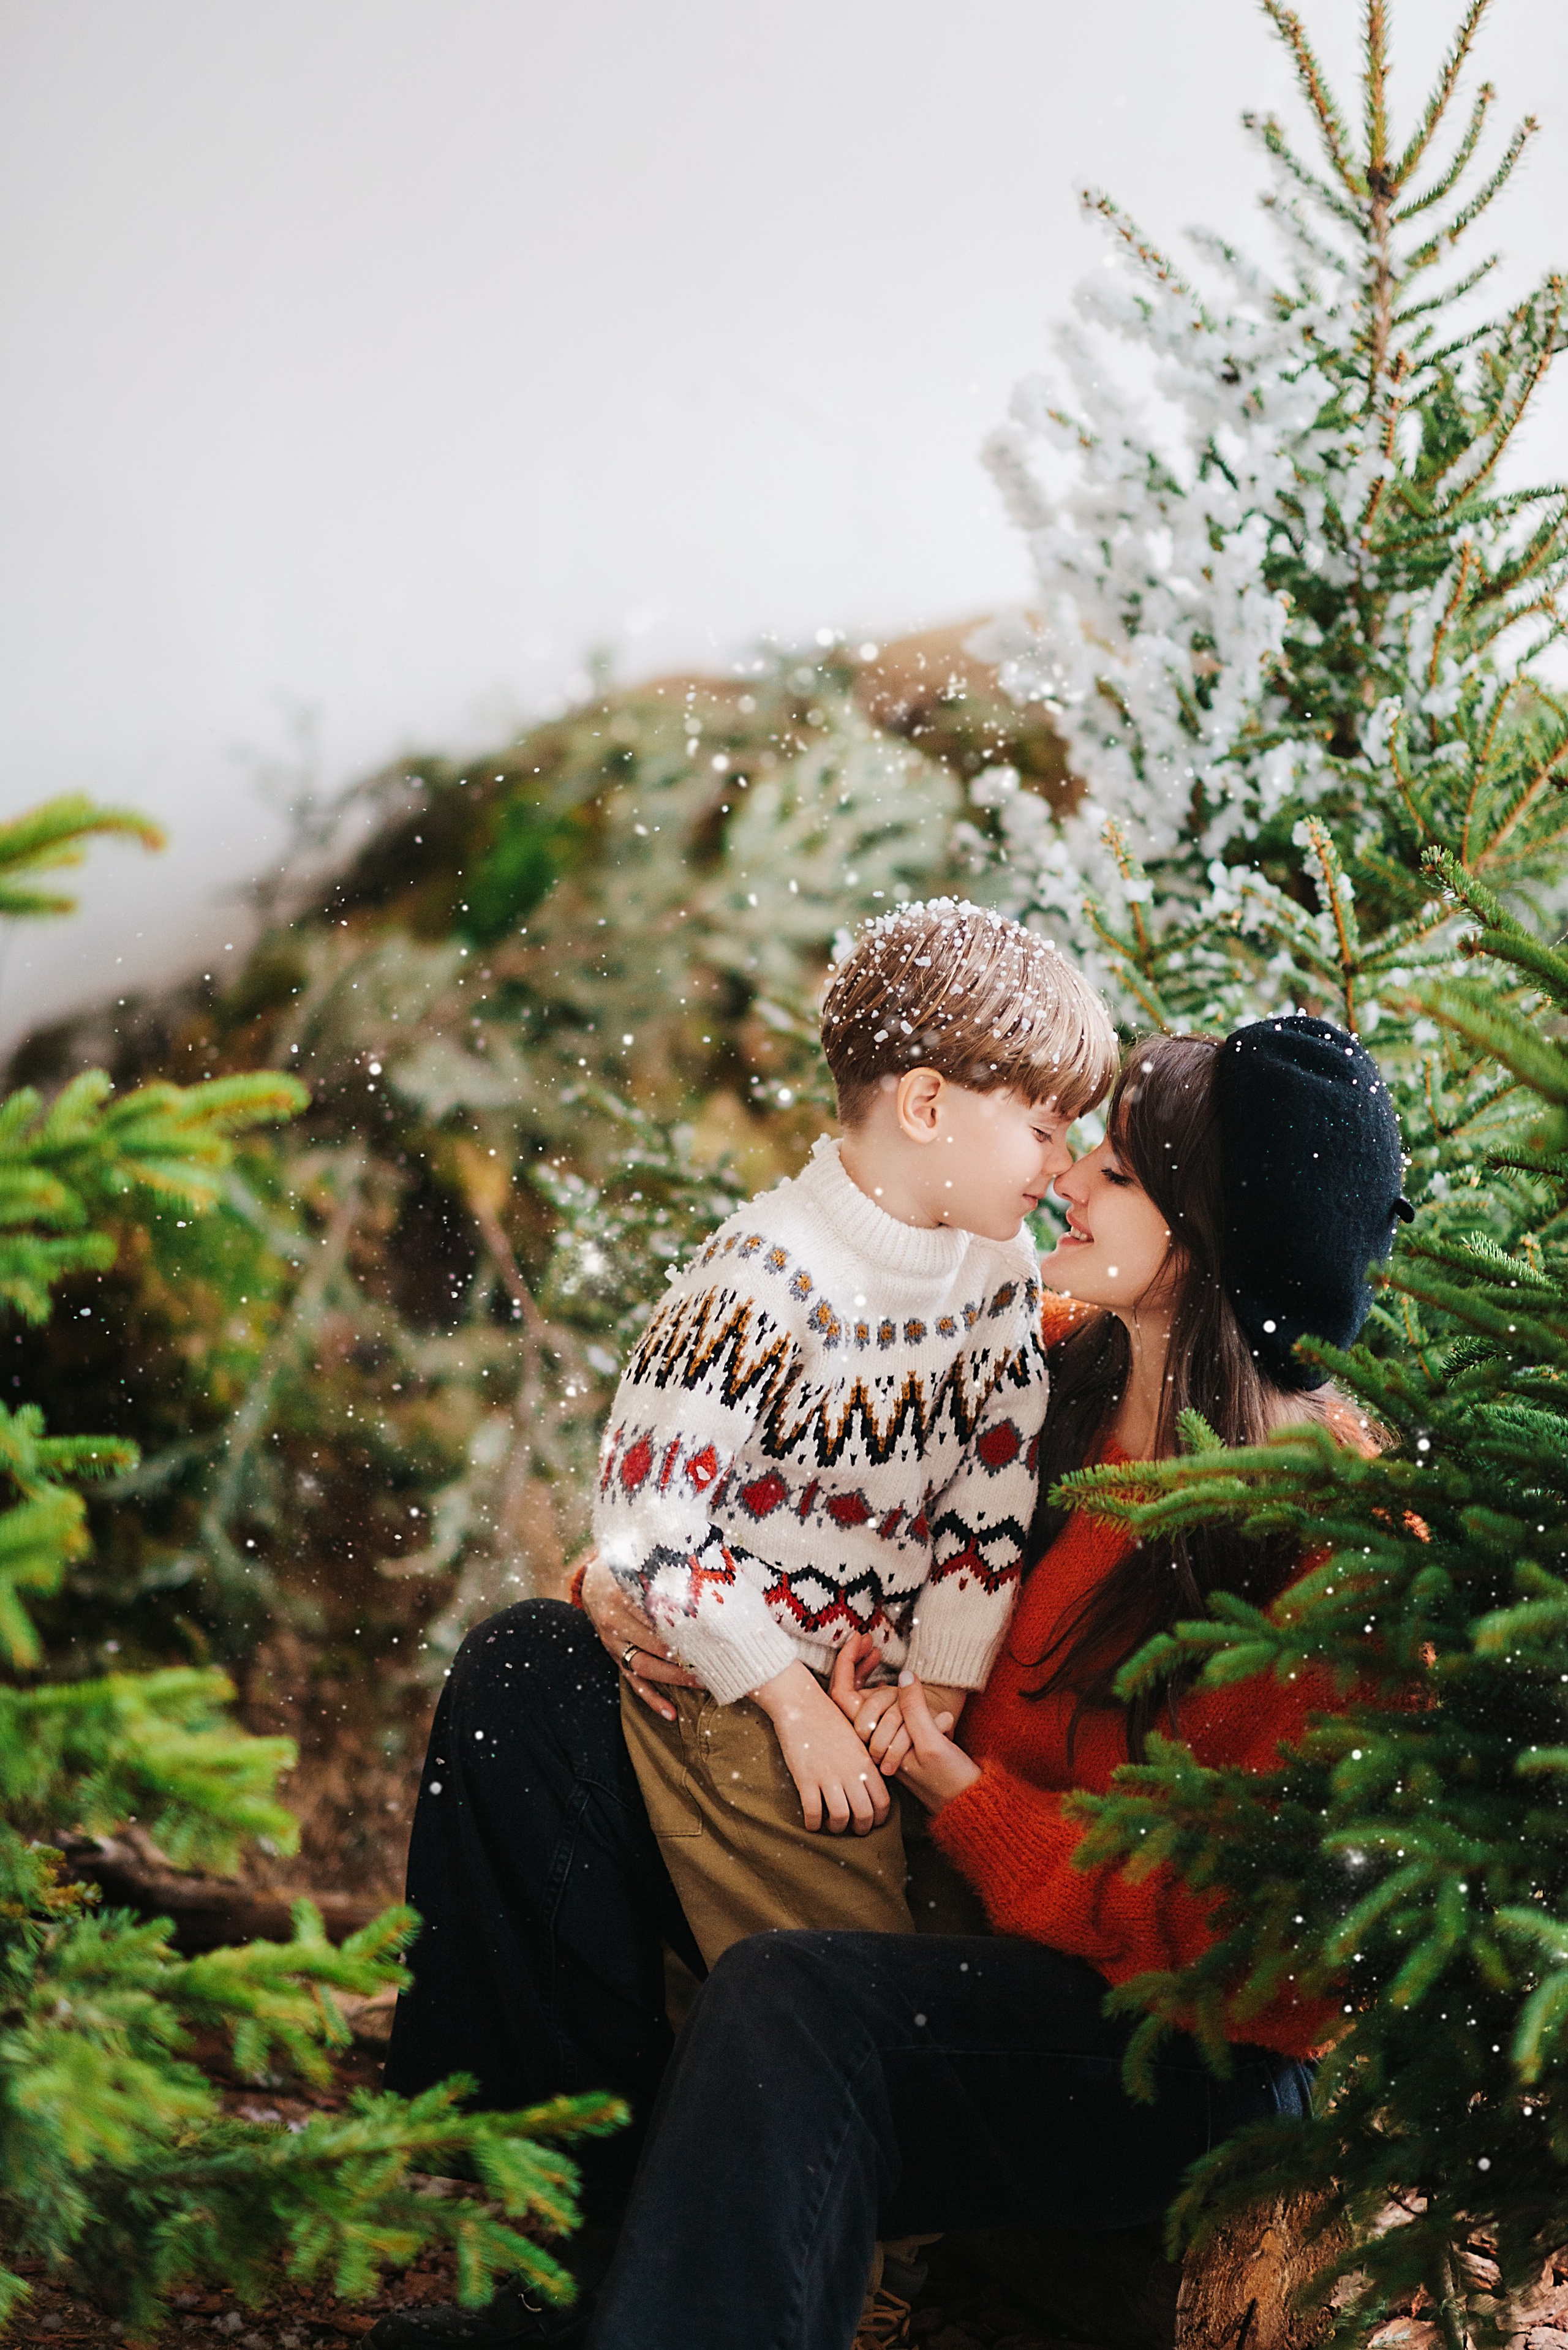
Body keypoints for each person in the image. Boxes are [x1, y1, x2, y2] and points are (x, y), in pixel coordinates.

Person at [376, 1015, 1407, 2350]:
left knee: (802, 2001)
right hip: (942, 1913)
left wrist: (960, 1786)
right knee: (529, 1679)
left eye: (1118, 1170)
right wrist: (626, 1584)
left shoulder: (1335, 1546)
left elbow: (1275, 1959)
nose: (1064, 1180)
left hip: (1157, 2046)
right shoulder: (1034, 1362)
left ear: (1204, 1241)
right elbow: (751, 1492)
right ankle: (568, 2266)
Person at [594, 897, 1117, 1965]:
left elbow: (990, 1494)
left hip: (872, 1687)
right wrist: (786, 1699)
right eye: (1043, 1126)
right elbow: (648, 1511)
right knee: (840, 1967)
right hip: (728, 1687)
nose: (1061, 1165)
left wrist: (942, 1680)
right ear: (927, 1103)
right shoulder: (767, 1277)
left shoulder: (996, 1272)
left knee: (932, 1948)